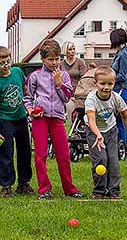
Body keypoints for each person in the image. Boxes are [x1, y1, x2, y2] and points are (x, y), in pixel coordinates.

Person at [24, 39, 84, 199]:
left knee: (63, 154)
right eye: (51, 59)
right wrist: (30, 111)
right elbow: (28, 98)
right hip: (40, 119)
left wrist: (59, 84)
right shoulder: (34, 76)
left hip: (57, 119)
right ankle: (44, 189)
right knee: (40, 154)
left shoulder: (64, 76)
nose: (54, 62)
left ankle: (69, 189)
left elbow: (66, 98)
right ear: (43, 59)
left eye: (57, 58)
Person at [84, 65, 127, 199]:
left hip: (111, 130)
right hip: (93, 132)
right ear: (95, 83)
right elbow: (91, 120)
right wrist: (98, 135)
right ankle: (99, 191)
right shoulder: (91, 99)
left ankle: (114, 191)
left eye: (110, 84)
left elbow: (126, 117)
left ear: (114, 83)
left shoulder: (116, 98)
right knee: (101, 159)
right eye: (102, 84)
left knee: (113, 160)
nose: (106, 87)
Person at [0, 46, 33, 197]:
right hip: (4, 120)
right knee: (6, 153)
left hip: (21, 118)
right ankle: (6, 185)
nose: (5, 63)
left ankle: (24, 183)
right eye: (1, 61)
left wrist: (30, 106)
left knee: (25, 151)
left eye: (7, 59)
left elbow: (26, 90)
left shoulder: (18, 72)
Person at [110, 28, 127, 149]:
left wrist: (110, 78)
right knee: (118, 120)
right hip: (119, 89)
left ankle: (123, 146)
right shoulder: (120, 52)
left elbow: (123, 76)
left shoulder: (123, 55)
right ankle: (120, 145)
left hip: (122, 90)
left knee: (120, 119)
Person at [60, 41, 87, 125]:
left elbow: (84, 78)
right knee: (71, 115)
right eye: (70, 49)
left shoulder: (80, 62)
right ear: (65, 51)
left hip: (79, 93)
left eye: (74, 49)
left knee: (81, 117)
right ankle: (73, 132)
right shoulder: (61, 64)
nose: (72, 51)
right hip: (67, 93)